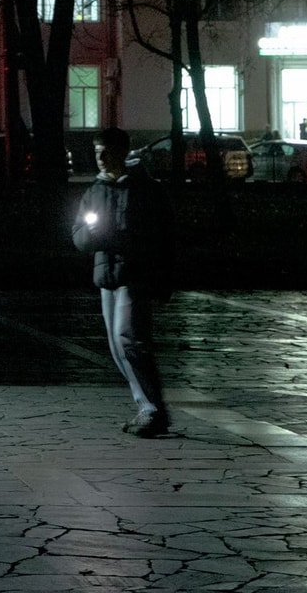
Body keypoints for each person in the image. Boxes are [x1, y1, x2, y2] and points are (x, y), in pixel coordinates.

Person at [72, 127, 175, 438]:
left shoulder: (145, 190)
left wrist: (161, 275)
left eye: (106, 152)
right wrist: (92, 235)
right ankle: (146, 406)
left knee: (128, 337)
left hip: (136, 273)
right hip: (107, 275)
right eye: (96, 153)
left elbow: (163, 236)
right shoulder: (95, 191)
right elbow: (79, 233)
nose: (100, 159)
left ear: (122, 152)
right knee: (118, 345)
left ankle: (153, 407)